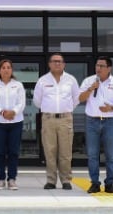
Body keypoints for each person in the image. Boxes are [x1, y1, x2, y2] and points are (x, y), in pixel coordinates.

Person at [81, 56, 113, 194]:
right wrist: (90, 89)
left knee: (110, 155)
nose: (98, 68)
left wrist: (112, 108)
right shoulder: (89, 81)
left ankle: (110, 183)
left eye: (102, 66)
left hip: (110, 122)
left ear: (109, 68)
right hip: (92, 121)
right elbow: (79, 98)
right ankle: (94, 183)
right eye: (97, 65)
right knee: (92, 154)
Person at [34, 52, 80, 190]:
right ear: (49, 64)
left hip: (65, 119)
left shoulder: (71, 80)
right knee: (50, 151)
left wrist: (66, 109)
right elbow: (37, 101)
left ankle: (66, 180)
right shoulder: (43, 80)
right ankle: (51, 180)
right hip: (48, 119)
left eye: (60, 61)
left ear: (64, 64)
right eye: (54, 61)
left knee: (65, 152)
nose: (57, 63)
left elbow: (76, 99)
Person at [0, 57, 25, 190]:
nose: (6, 70)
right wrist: (2, 112)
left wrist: (13, 112)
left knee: (13, 152)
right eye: (4, 68)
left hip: (16, 122)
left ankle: (12, 179)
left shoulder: (18, 85)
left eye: (8, 67)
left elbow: (22, 103)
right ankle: (1, 179)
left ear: (11, 70)